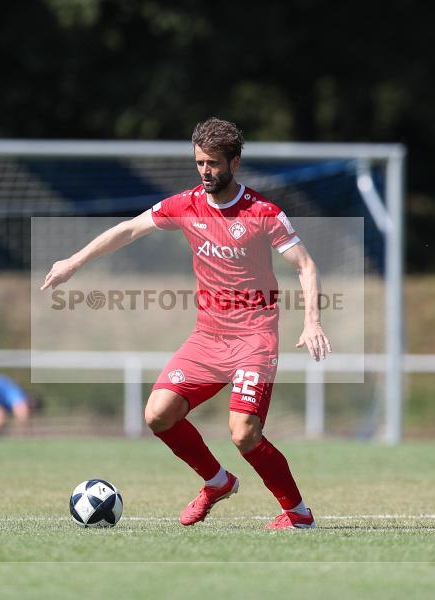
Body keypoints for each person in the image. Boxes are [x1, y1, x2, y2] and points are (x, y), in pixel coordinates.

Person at [41, 117, 331, 529]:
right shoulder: (186, 204)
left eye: (213, 163)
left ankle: (298, 514)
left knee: (244, 433)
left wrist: (312, 323)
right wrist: (73, 262)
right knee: (158, 414)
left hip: (254, 338)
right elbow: (128, 230)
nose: (206, 171)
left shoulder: (263, 212)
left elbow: (305, 266)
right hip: (208, 337)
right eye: (199, 163)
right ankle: (217, 482)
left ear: (235, 161)